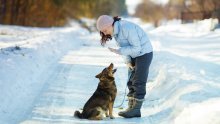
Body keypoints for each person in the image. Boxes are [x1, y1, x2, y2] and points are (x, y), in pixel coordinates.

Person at [96, 15, 153, 118]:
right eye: (102, 32)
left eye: (105, 30)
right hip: (134, 55)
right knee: (131, 81)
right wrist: (127, 61)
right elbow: (125, 48)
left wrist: (119, 51)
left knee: (138, 81)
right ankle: (131, 107)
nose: (105, 33)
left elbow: (137, 48)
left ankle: (136, 110)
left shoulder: (126, 28)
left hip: (144, 53)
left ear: (111, 24)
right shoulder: (116, 33)